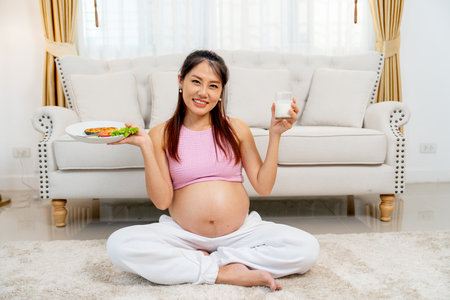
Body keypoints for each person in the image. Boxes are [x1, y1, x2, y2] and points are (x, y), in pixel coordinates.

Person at [106, 50, 319, 291]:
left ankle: (212, 261)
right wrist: (145, 146)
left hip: (240, 235)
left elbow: (263, 186)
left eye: (213, 86)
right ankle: (224, 271)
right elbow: (162, 201)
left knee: (307, 248)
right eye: (196, 81)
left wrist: (275, 135)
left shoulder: (236, 128)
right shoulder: (160, 133)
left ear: (221, 93)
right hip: (185, 237)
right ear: (180, 80)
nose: (203, 93)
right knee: (119, 245)